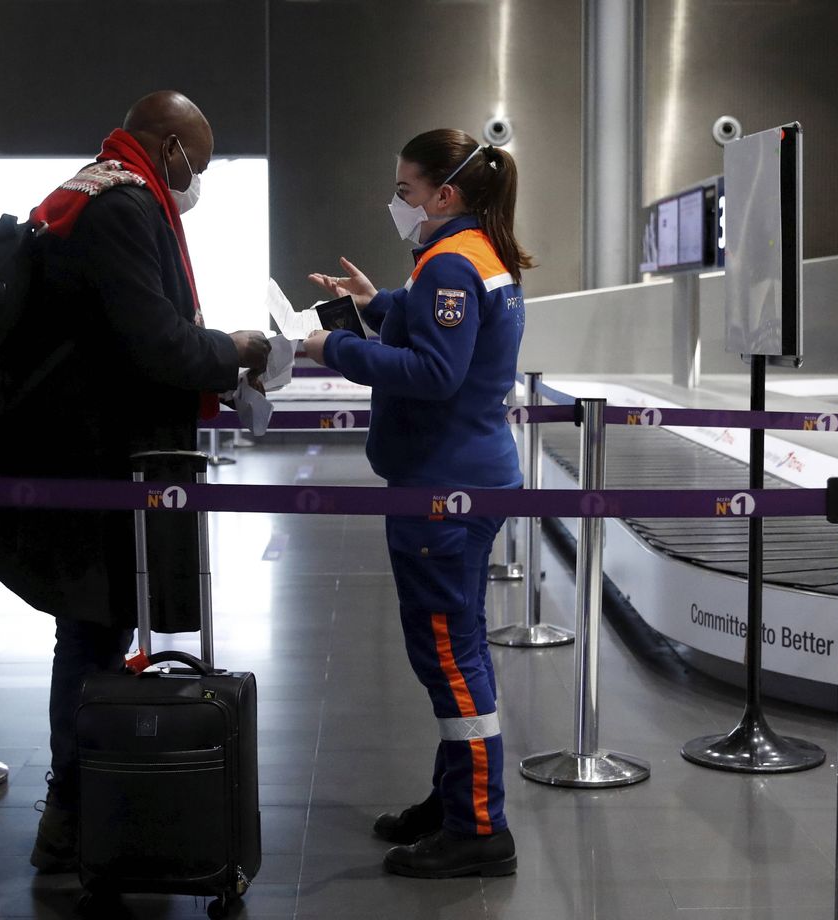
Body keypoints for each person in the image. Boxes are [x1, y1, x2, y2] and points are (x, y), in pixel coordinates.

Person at [0, 90, 271, 873]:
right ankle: (76, 813)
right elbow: (156, 343)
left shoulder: (88, 190)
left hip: (69, 453)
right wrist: (234, 349)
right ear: (165, 145)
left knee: (91, 634)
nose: (193, 183)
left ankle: (85, 807)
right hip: (92, 461)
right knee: (93, 636)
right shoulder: (125, 207)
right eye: (193, 166)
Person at [304, 128, 531, 879]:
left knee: (448, 652)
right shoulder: (475, 255)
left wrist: (328, 349)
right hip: (466, 475)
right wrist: (376, 306)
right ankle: (456, 796)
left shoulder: (452, 264)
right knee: (456, 645)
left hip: (445, 489)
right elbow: (437, 321)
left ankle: (476, 827)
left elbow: (434, 371)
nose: (398, 204)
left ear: (446, 194)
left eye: (406, 191)